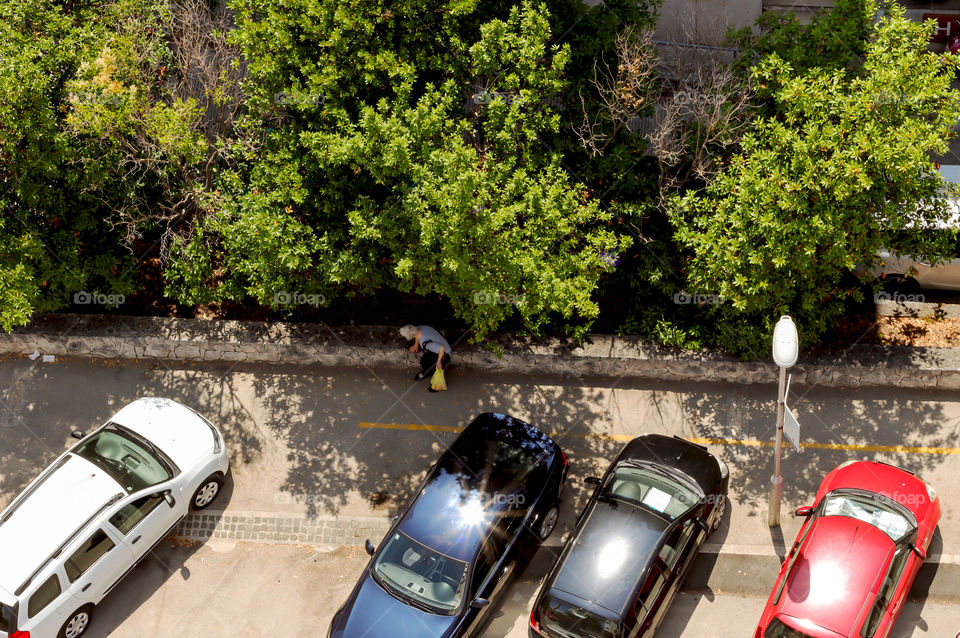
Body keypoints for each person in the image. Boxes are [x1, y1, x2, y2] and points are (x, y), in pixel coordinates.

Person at [400, 325, 452, 390]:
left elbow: (442, 348)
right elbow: (415, 334)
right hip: (436, 347)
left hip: (444, 353)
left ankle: (440, 384)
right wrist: (416, 344)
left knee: (434, 368)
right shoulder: (420, 328)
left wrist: (439, 362)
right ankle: (426, 372)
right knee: (423, 361)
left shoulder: (426, 343)